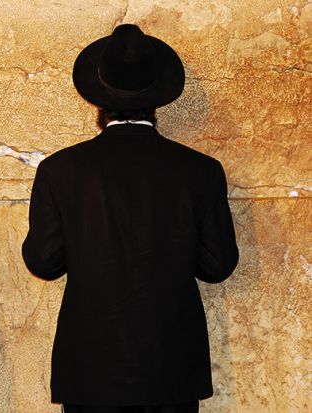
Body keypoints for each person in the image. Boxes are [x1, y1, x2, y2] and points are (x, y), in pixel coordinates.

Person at [22, 24, 239, 413]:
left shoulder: (60, 170)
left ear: (99, 103)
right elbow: (217, 265)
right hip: (170, 368)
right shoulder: (200, 171)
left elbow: (44, 262)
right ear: (156, 101)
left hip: (91, 368)